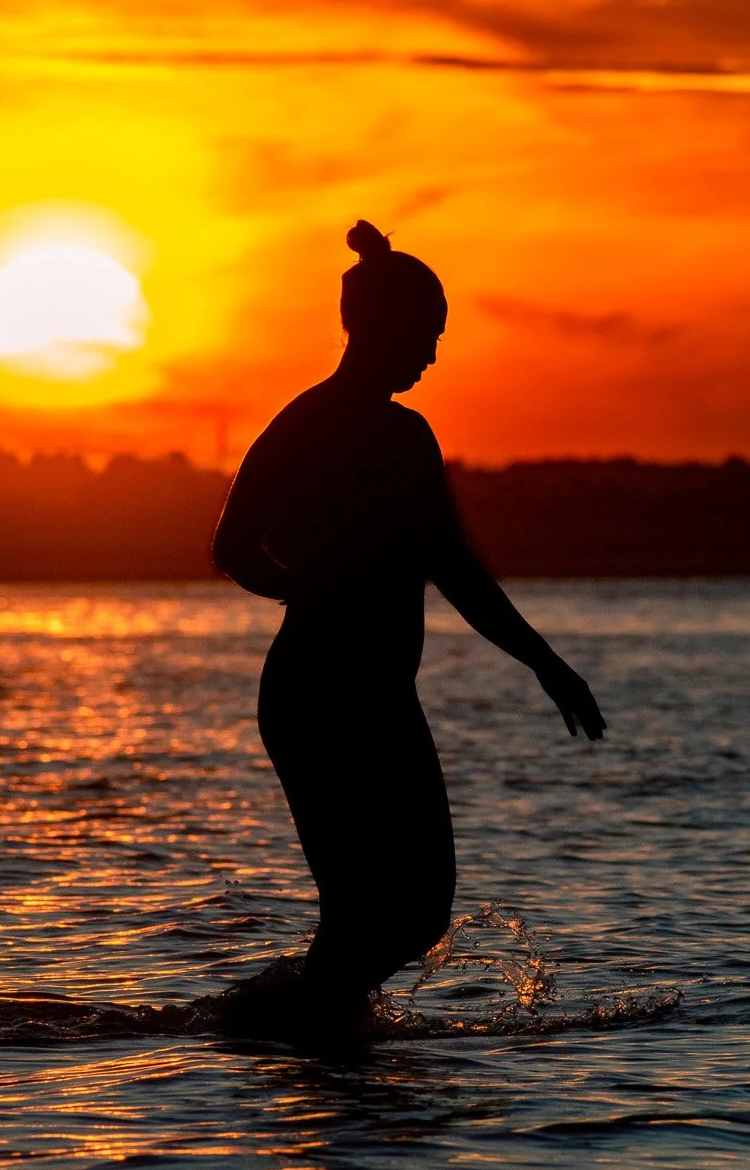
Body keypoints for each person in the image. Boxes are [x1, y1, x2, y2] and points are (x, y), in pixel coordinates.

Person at [212, 220, 605, 1029]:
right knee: (382, 915)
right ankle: (262, 1030)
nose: (430, 357)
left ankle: (310, 1041)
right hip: (324, 697)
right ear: (377, 327)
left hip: (372, 698)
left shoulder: (364, 429)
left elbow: (446, 567)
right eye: (424, 337)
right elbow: (235, 546)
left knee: (400, 917)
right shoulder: (345, 427)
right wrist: (315, 592)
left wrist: (543, 664)